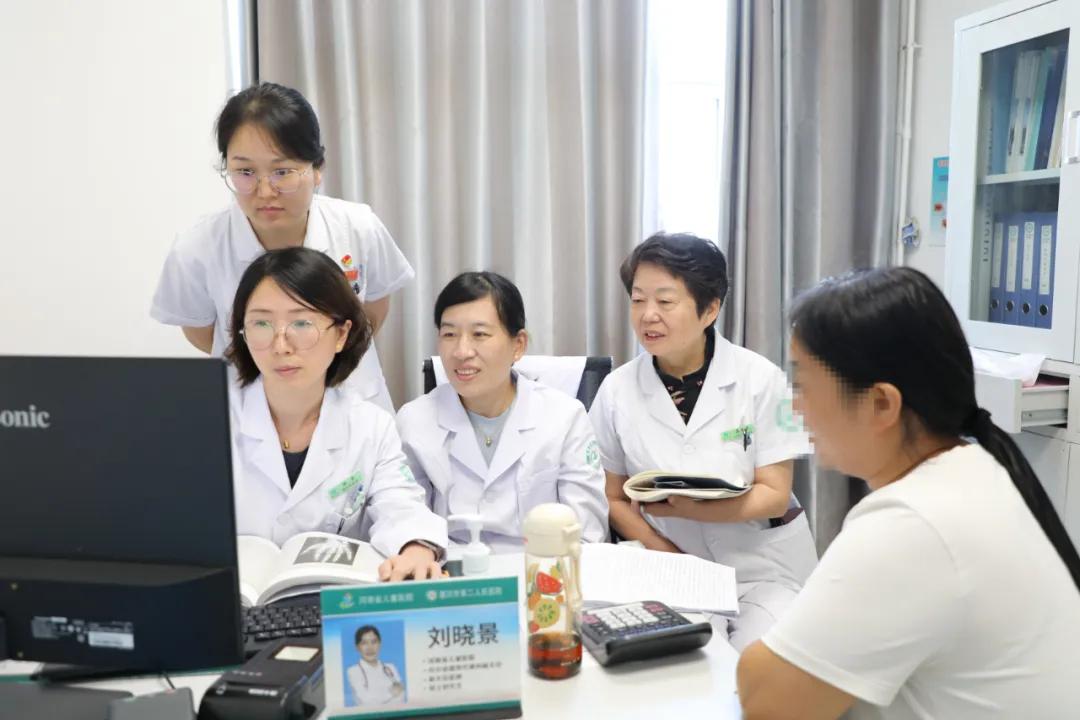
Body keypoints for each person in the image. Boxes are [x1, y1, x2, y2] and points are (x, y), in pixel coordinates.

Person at [737, 267, 1080, 719]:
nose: (795, 407)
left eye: (803, 385)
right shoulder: (971, 470)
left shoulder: (912, 524)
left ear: (881, 403)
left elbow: (768, 703)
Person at [589, 233, 817, 650]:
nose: (648, 315)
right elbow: (612, 496)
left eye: (665, 301)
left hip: (762, 568)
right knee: (694, 668)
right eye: (638, 300)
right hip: (672, 568)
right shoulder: (616, 391)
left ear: (710, 309)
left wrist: (694, 508)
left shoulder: (762, 379)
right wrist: (667, 553)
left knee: (761, 664)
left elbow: (774, 494)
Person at [152, 82, 412, 412]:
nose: (265, 191)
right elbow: (201, 332)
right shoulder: (196, 249)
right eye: (245, 171)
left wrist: (328, 358)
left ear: (317, 169)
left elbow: (373, 308)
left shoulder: (358, 226)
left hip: (351, 400)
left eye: (282, 171)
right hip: (251, 410)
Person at [226, 246, 446, 581]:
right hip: (232, 601)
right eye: (261, 323)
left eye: (302, 323)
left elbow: (401, 506)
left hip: (330, 602)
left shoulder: (370, 426)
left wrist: (415, 547)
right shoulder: (211, 421)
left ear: (341, 334)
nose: (281, 345)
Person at [396, 271, 608, 551]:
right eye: (449, 334)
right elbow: (406, 520)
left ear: (518, 345)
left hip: (542, 568)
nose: (461, 351)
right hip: (449, 569)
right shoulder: (414, 420)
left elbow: (587, 533)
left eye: (479, 334)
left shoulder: (566, 418)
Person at [347, 626, 404, 706]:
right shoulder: (353, 671)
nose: (370, 648)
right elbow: (366, 702)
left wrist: (377, 697)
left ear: (380, 644)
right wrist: (392, 693)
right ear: (357, 647)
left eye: (374, 642)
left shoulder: (390, 667)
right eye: (364, 643)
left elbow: (401, 697)